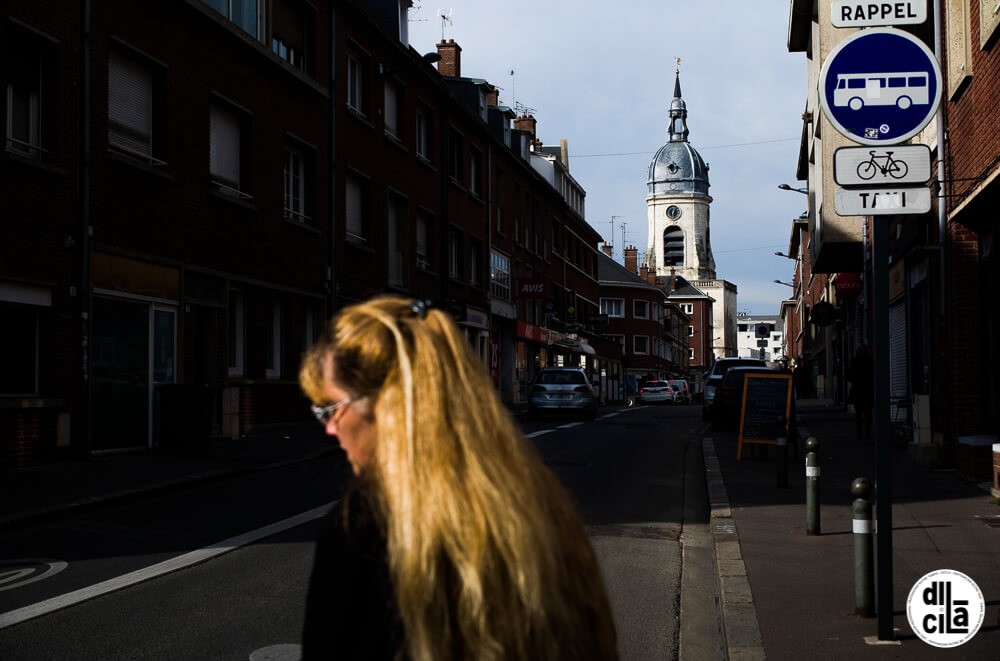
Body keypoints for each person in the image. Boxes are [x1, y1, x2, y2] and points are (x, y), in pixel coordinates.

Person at [298, 295, 618, 660]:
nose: (331, 430)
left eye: (332, 409)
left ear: (389, 405)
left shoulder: (361, 528)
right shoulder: (543, 504)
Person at [848, 344, 874, 440]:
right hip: (868, 391)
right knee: (868, 414)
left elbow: (849, 376)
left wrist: (856, 381)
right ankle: (867, 433)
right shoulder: (870, 361)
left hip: (857, 391)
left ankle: (859, 433)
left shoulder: (855, 362)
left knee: (858, 414)